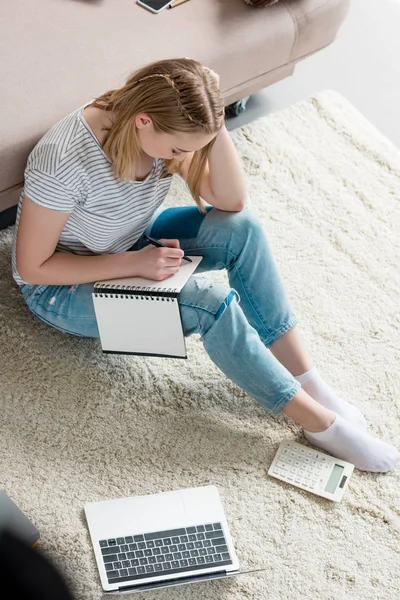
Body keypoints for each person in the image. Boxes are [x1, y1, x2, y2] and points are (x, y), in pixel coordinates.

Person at [13, 58, 399, 473]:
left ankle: (307, 380)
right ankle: (319, 424)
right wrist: (136, 263)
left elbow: (232, 203)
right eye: (181, 150)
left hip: (128, 240)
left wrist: (214, 125)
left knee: (242, 229)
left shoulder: (159, 129)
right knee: (210, 304)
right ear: (144, 120)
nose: (185, 158)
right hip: (59, 293)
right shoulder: (64, 160)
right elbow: (34, 268)